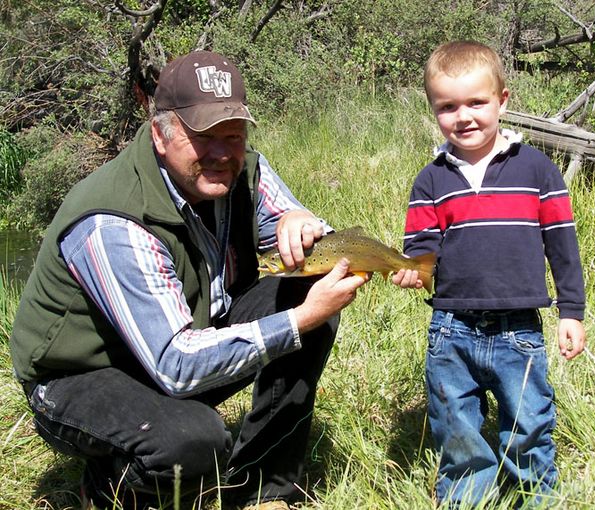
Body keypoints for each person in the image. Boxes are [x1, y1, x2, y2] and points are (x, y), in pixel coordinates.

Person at [10, 51, 369, 510]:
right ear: (160, 133)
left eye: (233, 136)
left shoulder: (243, 172)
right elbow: (176, 365)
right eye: (203, 137)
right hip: (78, 376)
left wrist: (304, 220)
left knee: (308, 288)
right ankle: (106, 486)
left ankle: (264, 490)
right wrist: (298, 321)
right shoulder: (115, 220)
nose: (221, 152)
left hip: (181, 337)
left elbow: (313, 240)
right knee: (192, 442)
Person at [391, 40, 586, 507]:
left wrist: (571, 312)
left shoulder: (538, 170)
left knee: (528, 425)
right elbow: (420, 250)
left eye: (477, 102)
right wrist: (413, 273)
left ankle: (534, 496)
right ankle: (466, 498)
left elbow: (563, 247)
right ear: (434, 110)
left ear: (503, 100)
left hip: (519, 330)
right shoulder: (431, 179)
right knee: (455, 427)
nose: (464, 116)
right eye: (448, 106)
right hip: (450, 330)